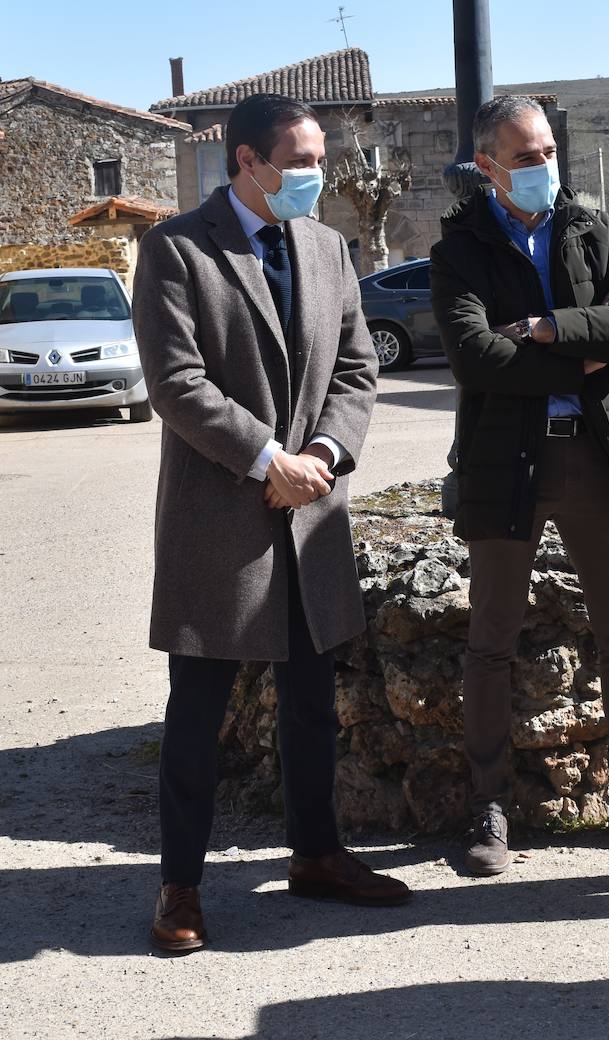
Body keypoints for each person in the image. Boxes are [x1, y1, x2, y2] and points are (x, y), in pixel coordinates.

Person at [133, 93, 407, 953]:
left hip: (311, 515)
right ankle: (181, 884)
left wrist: (324, 452)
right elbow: (176, 383)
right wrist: (268, 459)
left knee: (311, 705)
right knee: (198, 712)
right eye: (300, 160)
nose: (315, 175)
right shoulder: (176, 249)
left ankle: (318, 855)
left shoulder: (328, 248)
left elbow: (356, 370)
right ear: (246, 161)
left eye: (320, 158)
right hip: (224, 517)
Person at [429, 95, 609, 875]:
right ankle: (488, 808)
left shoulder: (592, 226)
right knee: (490, 642)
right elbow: (475, 358)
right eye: (527, 157)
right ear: (487, 168)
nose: (546, 167)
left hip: (598, 454)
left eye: (549, 151)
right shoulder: (461, 250)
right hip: (506, 460)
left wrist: (545, 329)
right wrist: (586, 348)